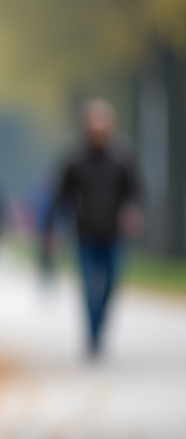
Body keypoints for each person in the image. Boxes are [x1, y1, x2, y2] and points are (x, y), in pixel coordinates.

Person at [43, 99, 142, 359]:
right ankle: (93, 337)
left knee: (110, 284)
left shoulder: (121, 156)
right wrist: (52, 229)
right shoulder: (74, 157)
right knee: (88, 287)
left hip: (112, 233)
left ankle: (99, 329)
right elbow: (61, 196)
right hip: (85, 232)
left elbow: (133, 191)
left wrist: (131, 212)